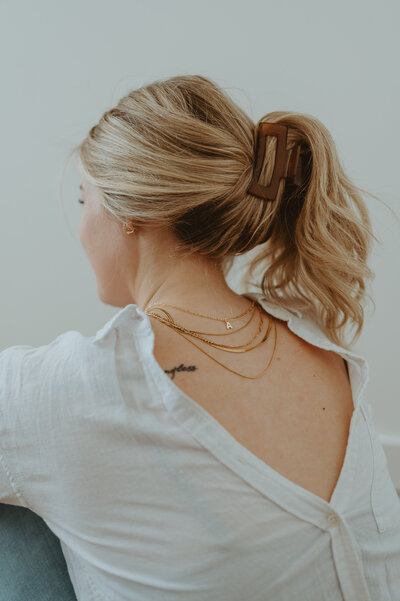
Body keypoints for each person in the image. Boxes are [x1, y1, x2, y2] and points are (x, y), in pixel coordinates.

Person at [1, 74, 399, 601]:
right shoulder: (323, 350)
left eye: (85, 200)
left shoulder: (78, 385)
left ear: (131, 213)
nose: (81, 226)